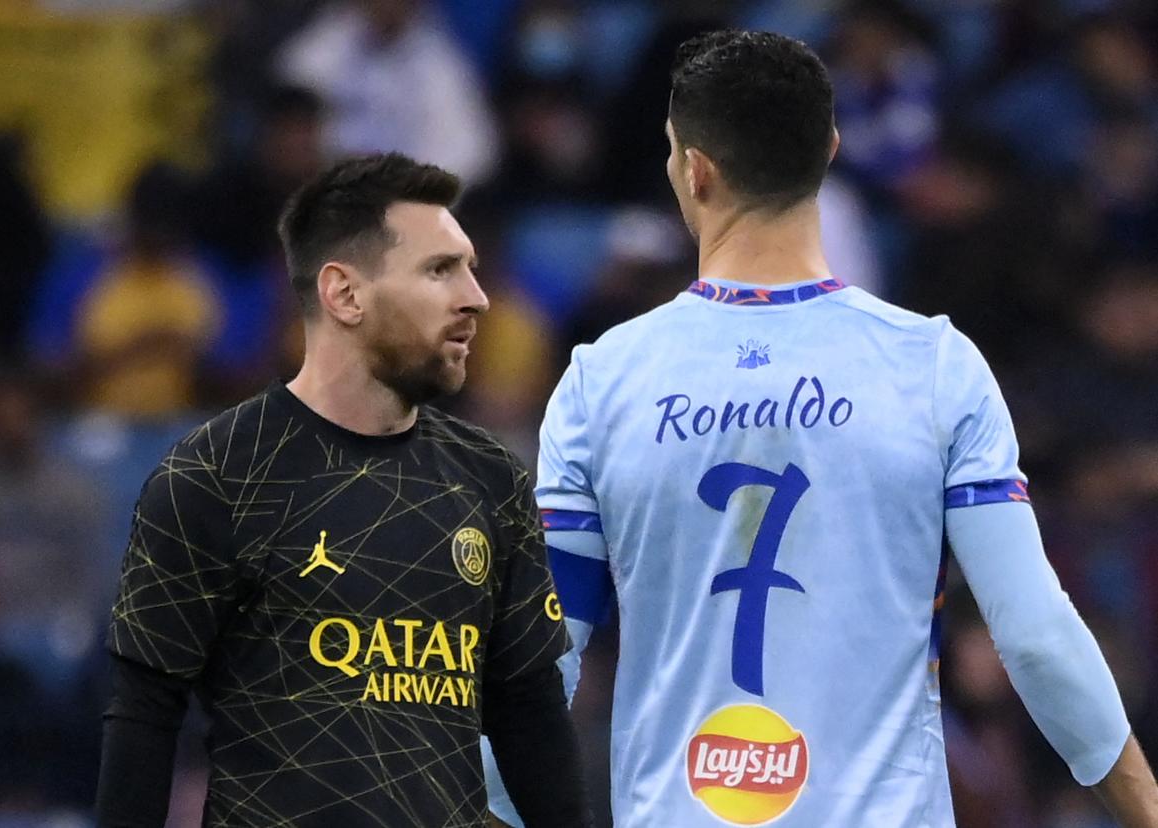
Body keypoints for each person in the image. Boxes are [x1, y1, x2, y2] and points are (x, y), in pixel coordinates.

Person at [486, 30, 1158, 827]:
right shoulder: (932, 367)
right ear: (830, 150)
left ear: (691, 168)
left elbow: (542, 664)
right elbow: (1037, 637)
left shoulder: (603, 381)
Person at [95, 153, 592, 828]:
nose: (475, 295)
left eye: (470, 268)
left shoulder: (491, 477)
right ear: (344, 294)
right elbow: (145, 715)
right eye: (440, 270)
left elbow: (528, 709)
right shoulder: (214, 476)